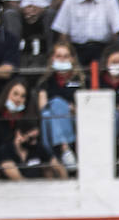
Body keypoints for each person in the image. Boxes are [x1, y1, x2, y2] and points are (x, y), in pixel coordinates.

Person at [51, 0, 119, 66]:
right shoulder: (71, 0)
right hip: (77, 49)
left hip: (102, 48)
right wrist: (68, 53)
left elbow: (117, 30)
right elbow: (62, 31)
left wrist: (112, 53)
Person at [35, 39, 83, 169]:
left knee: (55, 105)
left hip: (76, 121)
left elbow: (87, 109)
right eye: (58, 56)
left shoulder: (82, 81)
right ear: (52, 58)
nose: (62, 60)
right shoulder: (45, 82)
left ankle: (65, 151)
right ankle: (65, 149)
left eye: (66, 56)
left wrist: (72, 109)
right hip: (52, 123)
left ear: (72, 59)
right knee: (51, 109)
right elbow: (42, 108)